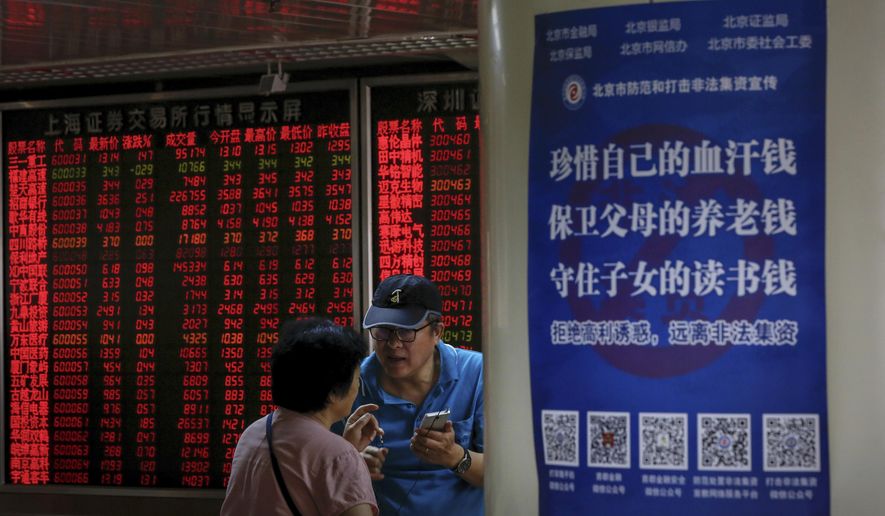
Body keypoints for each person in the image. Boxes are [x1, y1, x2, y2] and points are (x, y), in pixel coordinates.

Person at [222, 317, 383, 516]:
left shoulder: (253, 432)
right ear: (333, 391)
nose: (358, 386)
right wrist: (345, 455)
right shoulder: (340, 457)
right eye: (356, 378)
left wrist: (345, 447)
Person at [354, 274, 485, 515]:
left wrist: (456, 456)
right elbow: (317, 470)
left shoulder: (477, 373)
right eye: (383, 331)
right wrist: (351, 465)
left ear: (437, 332)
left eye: (406, 332)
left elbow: (506, 475)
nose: (393, 344)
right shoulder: (354, 383)